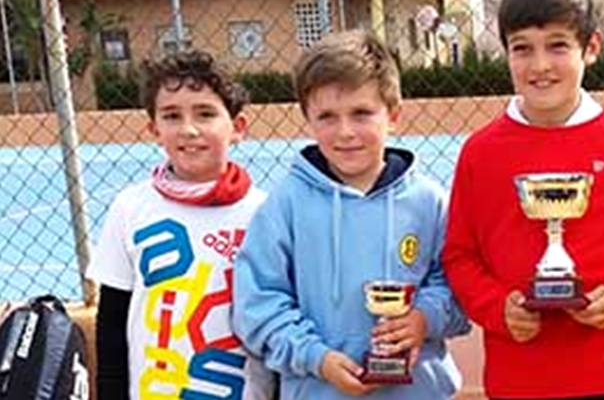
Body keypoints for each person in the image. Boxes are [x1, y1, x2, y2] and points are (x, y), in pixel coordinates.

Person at [441, 0, 604, 399]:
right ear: (506, 52)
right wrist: (497, 308)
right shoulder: (480, 152)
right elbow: (459, 255)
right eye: (522, 49)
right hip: (519, 378)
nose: (540, 65)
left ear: (591, 48)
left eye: (558, 46)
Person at [232, 30, 470, 399]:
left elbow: (456, 284)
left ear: (393, 115)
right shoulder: (286, 204)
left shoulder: (430, 201)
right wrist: (317, 357)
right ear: (307, 120)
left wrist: (422, 319)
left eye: (361, 113)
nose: (345, 132)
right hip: (319, 389)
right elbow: (257, 303)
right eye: (327, 116)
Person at [86, 50, 274, 399]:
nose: (188, 129)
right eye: (172, 116)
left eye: (205, 113)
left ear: (238, 128)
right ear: (154, 129)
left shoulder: (265, 214)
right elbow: (112, 323)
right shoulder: (131, 207)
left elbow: (277, 322)